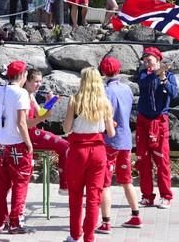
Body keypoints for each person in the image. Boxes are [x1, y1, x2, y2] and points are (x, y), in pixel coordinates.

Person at [63, 67, 115, 242]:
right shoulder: (105, 102)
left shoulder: (74, 100)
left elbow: (66, 128)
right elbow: (111, 133)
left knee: (75, 196)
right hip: (98, 151)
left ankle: (75, 235)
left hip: (78, 150)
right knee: (94, 196)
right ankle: (89, 237)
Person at [96, 57, 142, 235]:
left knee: (105, 183)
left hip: (109, 140)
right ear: (118, 71)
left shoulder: (104, 92)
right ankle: (135, 214)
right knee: (126, 179)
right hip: (125, 139)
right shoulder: (127, 89)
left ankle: (106, 222)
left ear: (103, 72)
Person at [0, 60, 33, 235]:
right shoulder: (22, 94)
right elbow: (22, 123)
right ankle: (15, 222)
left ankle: (0, 221)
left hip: (1, 144)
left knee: (2, 185)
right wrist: (28, 143)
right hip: (17, 145)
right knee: (20, 184)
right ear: (22, 75)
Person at [136, 47, 178, 209]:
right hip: (143, 120)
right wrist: (155, 73)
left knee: (162, 160)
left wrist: (164, 79)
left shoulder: (170, 76)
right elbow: (144, 83)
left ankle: (166, 196)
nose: (147, 63)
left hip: (160, 120)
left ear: (158, 60)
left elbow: (174, 95)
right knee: (143, 159)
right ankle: (147, 195)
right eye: (145, 61)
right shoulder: (143, 74)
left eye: (150, 60)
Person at [24, 69, 70, 194]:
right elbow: (27, 123)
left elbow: (41, 113)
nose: (39, 84)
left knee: (65, 145)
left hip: (33, 132)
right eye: (36, 81)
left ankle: (65, 185)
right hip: (28, 134)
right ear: (26, 81)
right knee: (65, 146)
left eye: (40, 82)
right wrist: (42, 117)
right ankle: (64, 185)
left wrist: (50, 102)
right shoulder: (24, 97)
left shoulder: (31, 96)